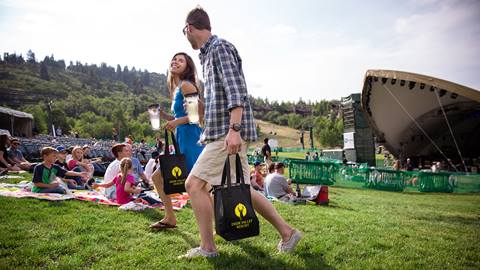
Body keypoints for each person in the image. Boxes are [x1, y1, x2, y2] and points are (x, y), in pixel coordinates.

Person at [181, 6, 302, 258]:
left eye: (185, 32)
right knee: (243, 189)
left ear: (190, 28)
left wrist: (234, 129)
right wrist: (200, 108)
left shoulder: (219, 48)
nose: (186, 36)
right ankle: (287, 233)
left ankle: (207, 248)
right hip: (222, 132)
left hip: (227, 135)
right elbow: (222, 97)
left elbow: (237, 91)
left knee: (194, 185)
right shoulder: (208, 55)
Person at [149, 51, 205, 230]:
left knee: (199, 185)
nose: (175, 61)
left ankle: (217, 222)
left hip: (191, 137)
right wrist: (163, 115)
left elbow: (195, 116)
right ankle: (170, 217)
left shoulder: (188, 85)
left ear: (187, 66)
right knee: (157, 178)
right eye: (174, 59)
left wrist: (176, 122)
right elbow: (179, 115)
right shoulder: (177, 88)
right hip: (181, 137)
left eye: (181, 60)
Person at [93, 157, 160, 205]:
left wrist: (98, 185)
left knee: (142, 195)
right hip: (125, 201)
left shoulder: (118, 176)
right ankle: (161, 203)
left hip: (119, 200)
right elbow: (126, 189)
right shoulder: (130, 177)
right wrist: (135, 191)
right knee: (144, 197)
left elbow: (107, 185)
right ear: (132, 167)